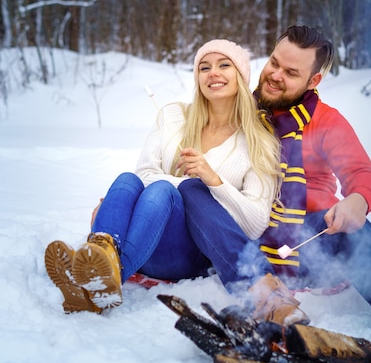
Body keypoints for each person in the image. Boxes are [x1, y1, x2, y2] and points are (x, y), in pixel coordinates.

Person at [179, 25, 371, 356]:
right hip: (239, 239)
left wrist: (357, 201)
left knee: (354, 228)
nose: (275, 75)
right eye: (274, 62)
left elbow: (360, 173)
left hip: (305, 243)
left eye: (291, 72)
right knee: (195, 193)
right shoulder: (240, 111)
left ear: (313, 81)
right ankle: (266, 299)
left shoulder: (325, 122)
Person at [43, 39, 281, 314]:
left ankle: (94, 280)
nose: (213, 73)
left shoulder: (258, 142)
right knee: (125, 181)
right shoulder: (173, 116)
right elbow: (143, 172)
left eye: (224, 65)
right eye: (204, 67)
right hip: (142, 239)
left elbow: (255, 224)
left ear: (240, 76)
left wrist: (213, 181)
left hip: (186, 256)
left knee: (161, 191)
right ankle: (99, 263)